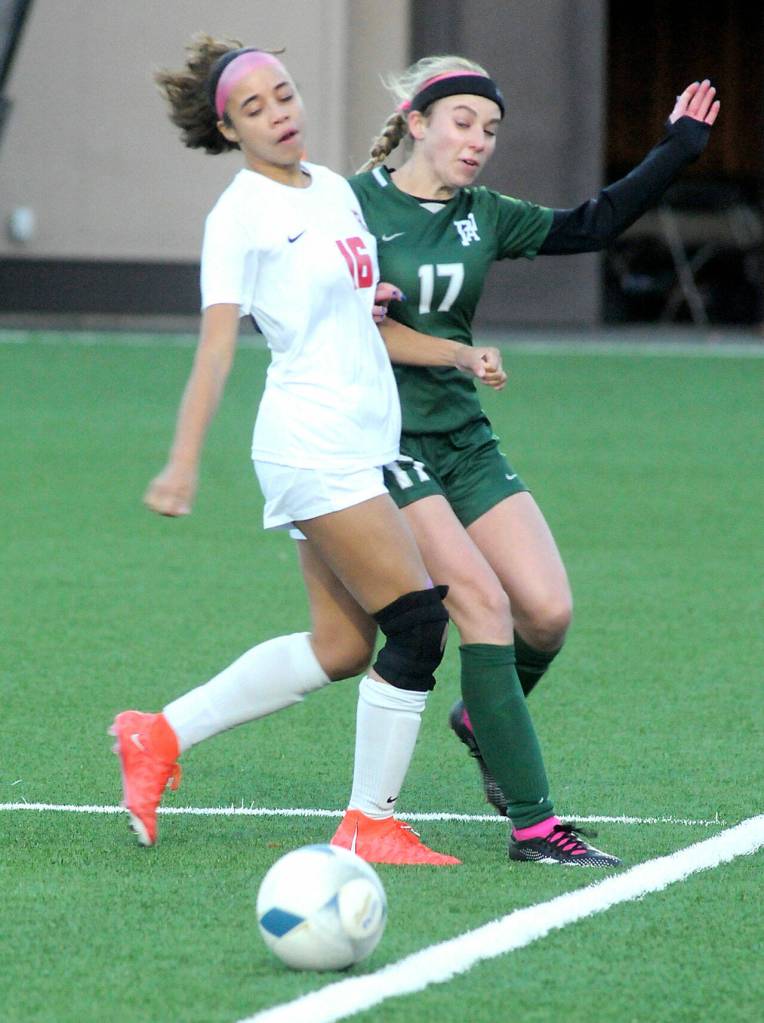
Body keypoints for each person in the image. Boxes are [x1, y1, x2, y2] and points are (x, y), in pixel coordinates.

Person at [347, 57, 719, 865]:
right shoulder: (350, 207)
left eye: (490, 129)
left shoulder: (486, 215)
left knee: (546, 613)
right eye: (462, 122)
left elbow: (590, 225)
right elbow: (302, 313)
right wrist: (434, 343)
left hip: (464, 437)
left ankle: (484, 715)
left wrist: (676, 151)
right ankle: (534, 823)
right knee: (476, 605)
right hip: (385, 442)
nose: (478, 142)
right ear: (417, 121)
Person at [110, 34, 462, 865]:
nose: (280, 115)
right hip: (313, 444)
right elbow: (218, 347)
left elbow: (354, 314)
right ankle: (368, 821)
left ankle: (156, 735)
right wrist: (183, 459)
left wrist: (424, 334)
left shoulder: (333, 189)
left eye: (285, 95)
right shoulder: (238, 215)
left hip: (353, 440)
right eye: (254, 109)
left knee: (343, 648)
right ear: (229, 131)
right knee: (418, 624)